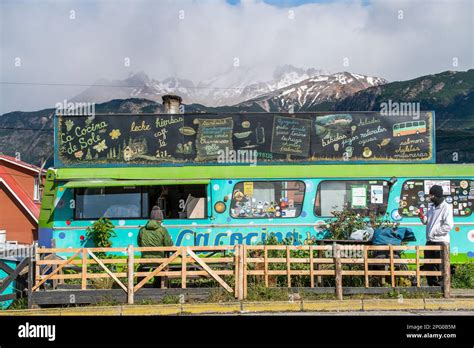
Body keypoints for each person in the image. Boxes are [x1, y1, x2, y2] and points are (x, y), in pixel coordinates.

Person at [417, 185, 453, 286]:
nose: (430, 197)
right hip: (430, 240)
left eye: (431, 195)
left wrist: (434, 232)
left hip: (441, 240)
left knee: (441, 264)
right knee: (429, 263)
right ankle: (432, 285)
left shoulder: (446, 207)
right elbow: (426, 221)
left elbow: (449, 225)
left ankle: (442, 287)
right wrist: (421, 216)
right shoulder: (432, 207)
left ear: (437, 195)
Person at [137, 207, 173, 287]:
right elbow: (169, 245)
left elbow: (139, 244)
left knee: (141, 270)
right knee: (160, 269)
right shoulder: (162, 230)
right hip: (159, 260)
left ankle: (138, 288)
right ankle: (159, 288)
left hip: (145, 260)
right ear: (159, 220)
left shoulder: (142, 230)